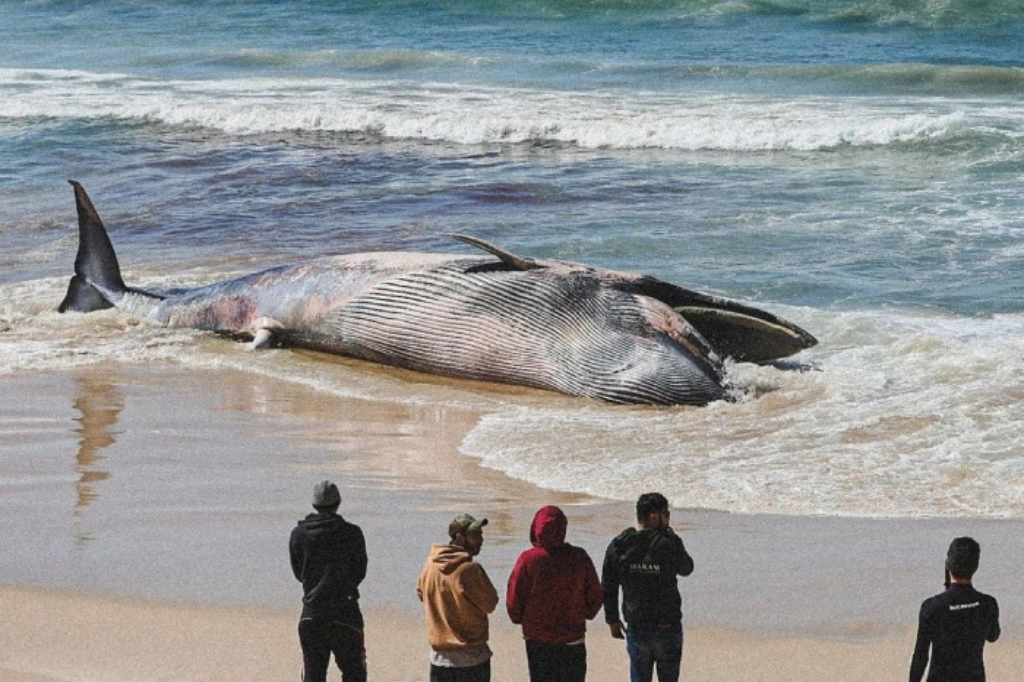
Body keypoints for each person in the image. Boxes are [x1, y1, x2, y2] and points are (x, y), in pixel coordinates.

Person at [601, 492, 694, 682]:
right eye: (666, 514)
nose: (668, 518)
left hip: (637, 627)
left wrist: (612, 620)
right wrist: (673, 538)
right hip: (666, 627)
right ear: (654, 517)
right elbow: (686, 568)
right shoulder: (668, 543)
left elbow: (608, 584)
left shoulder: (620, 545)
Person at [506, 505, 604, 682]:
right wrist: (586, 614)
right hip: (572, 638)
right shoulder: (579, 557)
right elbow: (595, 596)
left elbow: (514, 599)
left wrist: (521, 620)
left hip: (537, 639)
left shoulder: (528, 559)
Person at [289, 480, 368, 682]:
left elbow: (299, 573)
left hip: (311, 613)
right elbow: (359, 571)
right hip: (345, 612)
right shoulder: (352, 533)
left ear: (314, 504)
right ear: (338, 503)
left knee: (313, 676)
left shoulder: (298, 534)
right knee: (354, 674)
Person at [417, 513, 499, 682]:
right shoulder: (470, 569)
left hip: (439, 658)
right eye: (475, 535)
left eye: (481, 534)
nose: (481, 539)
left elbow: (420, 593)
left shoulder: (430, 565)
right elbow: (490, 604)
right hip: (472, 658)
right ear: (459, 537)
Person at [909, 537, 1000, 682]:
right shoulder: (988, 604)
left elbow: (921, 655)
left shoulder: (932, 606)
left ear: (947, 565)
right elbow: (993, 636)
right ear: (976, 566)